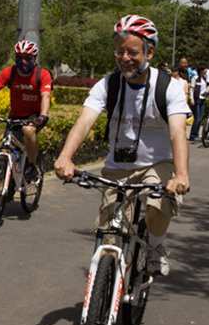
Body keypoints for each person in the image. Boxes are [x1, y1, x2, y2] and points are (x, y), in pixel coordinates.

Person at [54, 15, 190, 277]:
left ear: (150, 52)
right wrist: (65, 157)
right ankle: (104, 294)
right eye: (119, 51)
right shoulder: (108, 84)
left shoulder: (168, 87)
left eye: (132, 51)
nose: (124, 57)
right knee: (108, 237)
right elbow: (84, 122)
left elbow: (177, 133)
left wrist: (181, 174)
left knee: (156, 207)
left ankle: (156, 246)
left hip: (157, 164)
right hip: (118, 168)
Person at [0, 39, 53, 177]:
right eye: (19, 58)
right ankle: (9, 183)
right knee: (7, 147)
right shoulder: (9, 72)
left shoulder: (42, 74)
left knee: (28, 131)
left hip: (35, 115)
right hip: (15, 115)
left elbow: (46, 96)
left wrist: (42, 116)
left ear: (34, 58)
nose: (23, 62)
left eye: (27, 58)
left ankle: (32, 165)